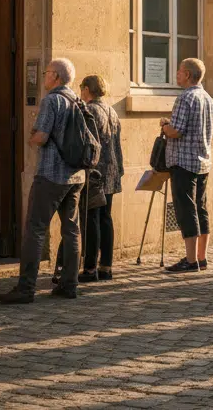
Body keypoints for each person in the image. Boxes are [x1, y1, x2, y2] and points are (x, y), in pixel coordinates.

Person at [0, 58, 87, 304]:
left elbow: (42, 136)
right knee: (71, 229)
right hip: (76, 175)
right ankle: (69, 284)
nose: (44, 77)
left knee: (35, 229)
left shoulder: (52, 100)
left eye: (47, 72)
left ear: (55, 77)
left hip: (51, 173)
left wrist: (31, 138)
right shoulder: (78, 100)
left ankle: (25, 288)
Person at [162, 58, 213, 273]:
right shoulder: (207, 98)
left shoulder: (185, 97)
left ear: (187, 74)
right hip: (203, 160)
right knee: (201, 208)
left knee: (186, 209)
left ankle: (191, 260)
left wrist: (165, 126)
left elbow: (177, 130)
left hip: (184, 160)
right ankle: (202, 257)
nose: (176, 74)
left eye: (179, 71)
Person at [79, 74, 124, 282]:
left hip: (96, 173)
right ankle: (106, 266)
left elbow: (86, 144)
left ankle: (90, 269)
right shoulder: (112, 111)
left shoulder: (89, 110)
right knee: (106, 219)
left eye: (82, 88)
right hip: (112, 172)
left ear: (87, 89)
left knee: (92, 220)